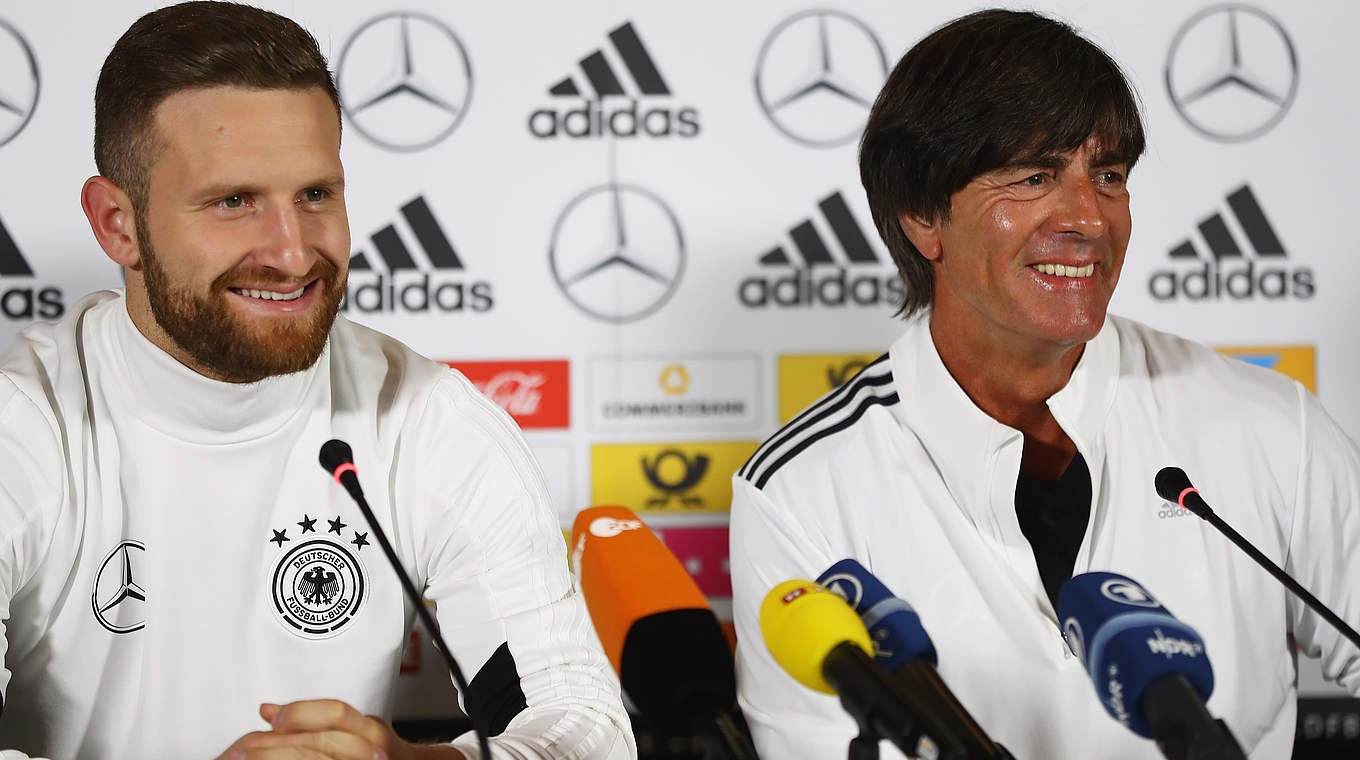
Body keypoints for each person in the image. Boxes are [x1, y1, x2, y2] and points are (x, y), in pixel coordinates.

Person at [0, 3, 635, 759]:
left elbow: (582, 726)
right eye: (234, 202)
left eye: (315, 195)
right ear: (117, 224)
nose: (293, 253)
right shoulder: (23, 425)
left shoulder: (424, 416)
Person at [729, 8, 1359, 759]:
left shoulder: (1268, 423)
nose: (1089, 218)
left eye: (1108, 175)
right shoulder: (800, 491)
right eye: (1034, 177)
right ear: (923, 218)